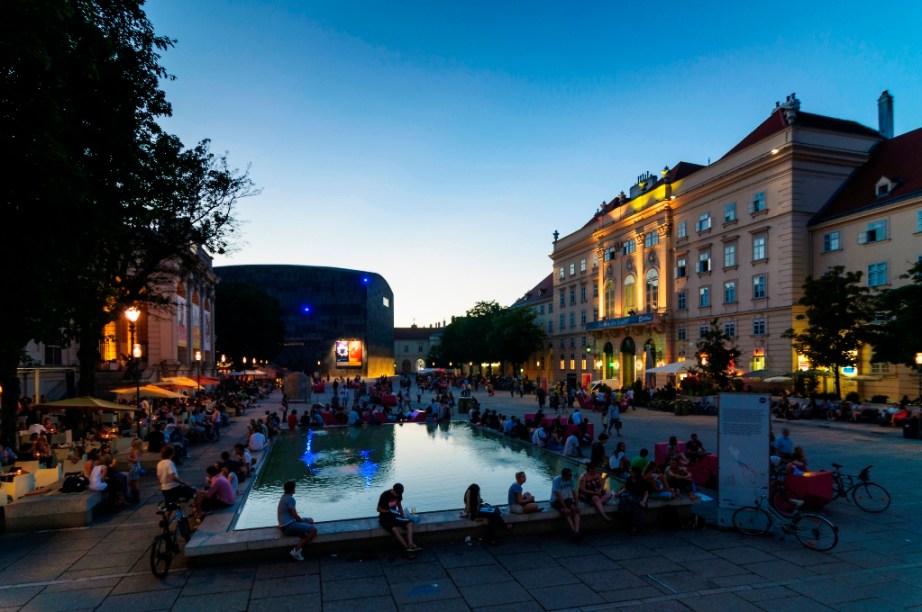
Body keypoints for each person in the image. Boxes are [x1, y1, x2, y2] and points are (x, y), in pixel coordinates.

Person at [277, 480, 317, 560]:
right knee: (313, 530)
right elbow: (295, 516)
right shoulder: (290, 499)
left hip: (285, 524)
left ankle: (303, 534)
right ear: (292, 489)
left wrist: (303, 522)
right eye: (295, 488)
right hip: (288, 527)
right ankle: (296, 550)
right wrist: (303, 522)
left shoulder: (284, 496)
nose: (295, 489)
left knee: (310, 520)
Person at [377, 483, 420, 554]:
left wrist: (402, 514)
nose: (397, 495)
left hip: (395, 514)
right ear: (393, 490)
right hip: (385, 516)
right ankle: (406, 547)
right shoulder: (385, 495)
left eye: (398, 494)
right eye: (396, 493)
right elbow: (378, 509)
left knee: (410, 523)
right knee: (394, 529)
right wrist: (388, 511)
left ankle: (410, 544)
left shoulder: (399, 493)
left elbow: (399, 504)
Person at [615, 466, 649, 535]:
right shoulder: (629, 479)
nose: (629, 473)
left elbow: (646, 493)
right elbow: (625, 488)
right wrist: (618, 493)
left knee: (636, 505)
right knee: (625, 498)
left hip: (639, 497)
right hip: (631, 496)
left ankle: (635, 526)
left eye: (631, 472)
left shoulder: (641, 480)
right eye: (629, 472)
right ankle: (627, 519)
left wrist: (644, 501)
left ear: (635, 473)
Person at [550, 468, 581, 541]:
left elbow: (574, 493)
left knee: (576, 511)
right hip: (555, 500)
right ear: (565, 475)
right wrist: (565, 507)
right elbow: (558, 495)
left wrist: (577, 505)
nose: (571, 476)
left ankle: (576, 531)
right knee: (567, 512)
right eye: (570, 475)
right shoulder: (556, 480)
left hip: (567, 499)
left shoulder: (571, 480)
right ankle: (573, 530)